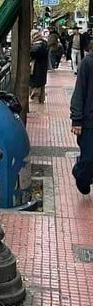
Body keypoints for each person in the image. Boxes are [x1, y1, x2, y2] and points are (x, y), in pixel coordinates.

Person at [70, 42, 93, 194]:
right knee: (89, 158)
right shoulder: (88, 63)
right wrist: (77, 119)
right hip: (89, 121)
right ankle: (80, 171)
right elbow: (79, 92)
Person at [30, 30, 49, 104]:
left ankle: (36, 102)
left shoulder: (39, 45)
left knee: (36, 86)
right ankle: (40, 100)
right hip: (41, 69)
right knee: (40, 85)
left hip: (37, 69)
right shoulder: (43, 43)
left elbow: (34, 52)